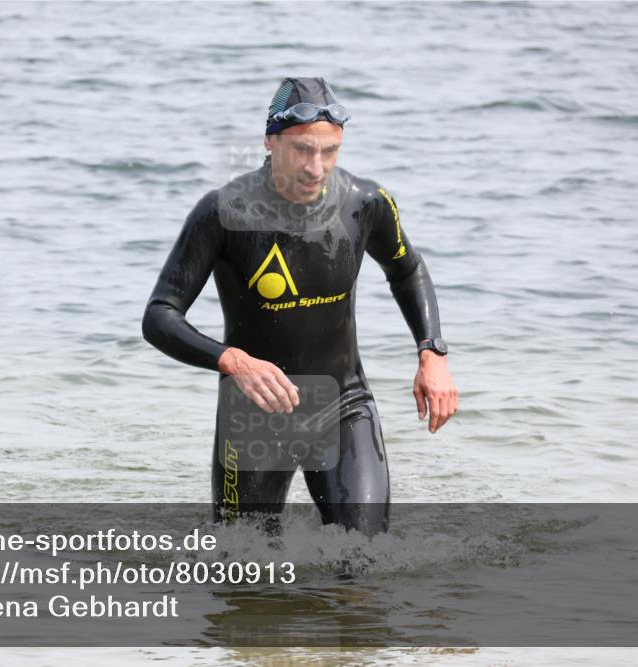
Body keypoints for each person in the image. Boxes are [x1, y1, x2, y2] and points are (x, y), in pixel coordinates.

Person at [142, 77, 458, 537]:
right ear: (270, 141)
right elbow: (159, 316)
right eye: (303, 150)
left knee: (364, 560)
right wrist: (232, 361)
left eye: (330, 152)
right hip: (254, 415)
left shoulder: (365, 203)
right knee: (244, 570)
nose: (316, 167)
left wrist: (432, 353)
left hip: (343, 404)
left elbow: (407, 270)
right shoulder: (222, 212)